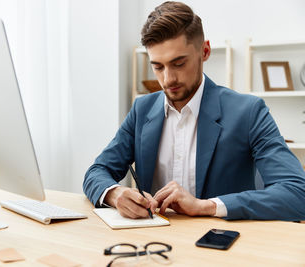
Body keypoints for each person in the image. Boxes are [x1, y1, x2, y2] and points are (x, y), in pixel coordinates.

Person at [83, 1, 305, 220]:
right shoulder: (142, 110)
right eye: (158, 66)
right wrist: (115, 194)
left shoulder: (248, 111)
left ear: (205, 51)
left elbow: (297, 193)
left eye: (178, 63)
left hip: (223, 246)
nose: (168, 79)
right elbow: (97, 172)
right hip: (156, 244)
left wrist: (205, 206)